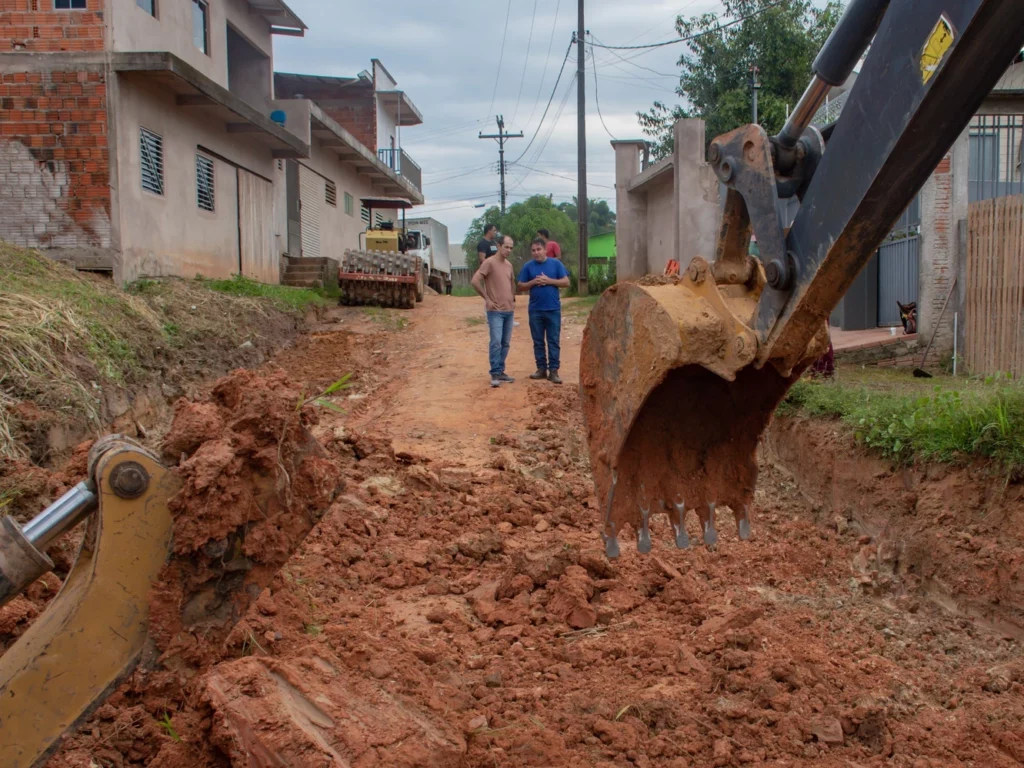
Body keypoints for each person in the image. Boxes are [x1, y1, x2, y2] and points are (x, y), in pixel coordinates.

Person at [518, 237, 570, 384]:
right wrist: (533, 282)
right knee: (538, 341)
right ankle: (541, 369)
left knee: (553, 341)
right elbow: (520, 286)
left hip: (553, 309)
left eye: (539, 249)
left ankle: (554, 371)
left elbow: (566, 282)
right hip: (535, 310)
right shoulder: (528, 267)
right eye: (533, 250)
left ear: (545, 250)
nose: (536, 253)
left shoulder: (556, 264)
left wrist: (549, 281)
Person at [471, 235, 517, 388]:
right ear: (498, 246)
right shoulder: (489, 263)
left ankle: (501, 371)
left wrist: (513, 299)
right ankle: (495, 373)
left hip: (508, 311)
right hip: (495, 311)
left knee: (505, 343)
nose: (508, 250)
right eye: (506, 247)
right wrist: (487, 298)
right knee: (496, 342)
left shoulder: (509, 265)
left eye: (511, 248)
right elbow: (475, 281)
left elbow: (511, 283)